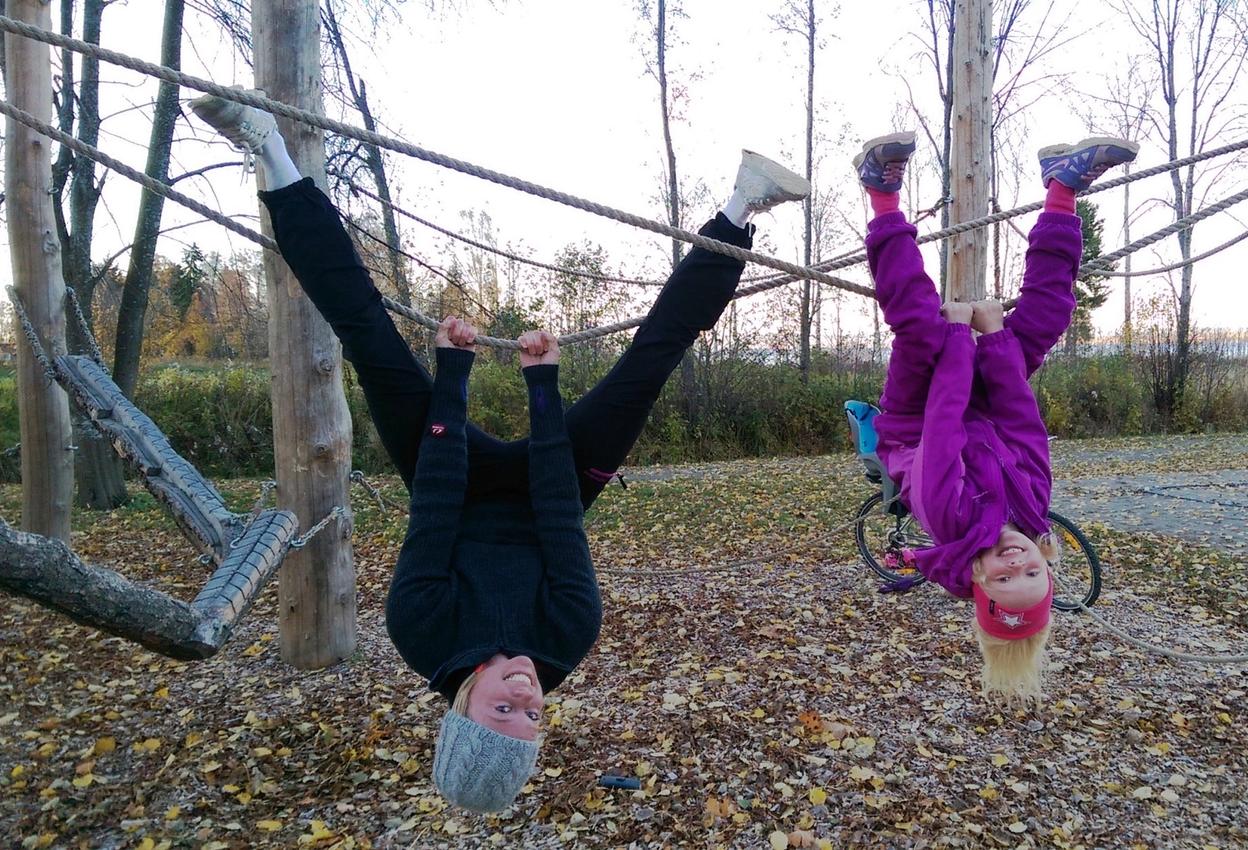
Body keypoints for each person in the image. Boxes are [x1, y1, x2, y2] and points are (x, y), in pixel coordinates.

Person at [190, 90, 810, 812]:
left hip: (448, 487)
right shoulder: (569, 633)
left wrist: (452, 375)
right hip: (557, 492)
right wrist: (541, 388)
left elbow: (441, 501)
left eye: (501, 712)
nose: (523, 696)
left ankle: (267, 150)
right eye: (532, 717)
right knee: (652, 360)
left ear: (461, 709)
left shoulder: (418, 629)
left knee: (367, 334)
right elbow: (554, 509)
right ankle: (742, 202)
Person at [856, 130, 1136, 701]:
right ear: (1047, 568)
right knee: (1046, 318)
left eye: (1004, 579)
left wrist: (961, 334)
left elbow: (941, 424)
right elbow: (1022, 424)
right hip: (985, 404)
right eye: (1030, 576)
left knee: (918, 322)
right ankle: (1062, 187)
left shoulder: (948, 519)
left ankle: (879, 193)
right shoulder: (1032, 509)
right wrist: (998, 340)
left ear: (977, 579)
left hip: (917, 417)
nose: (1016, 564)